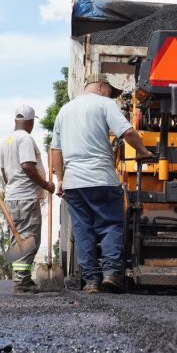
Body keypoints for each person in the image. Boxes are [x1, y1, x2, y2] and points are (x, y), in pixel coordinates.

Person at [51, 73, 152, 294]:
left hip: (74, 183)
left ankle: (91, 282)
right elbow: (127, 132)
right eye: (110, 91)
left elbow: (56, 150)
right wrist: (144, 152)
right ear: (99, 86)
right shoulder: (105, 104)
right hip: (101, 178)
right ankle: (110, 275)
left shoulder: (64, 110)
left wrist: (60, 180)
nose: (111, 96)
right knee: (111, 225)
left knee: (83, 230)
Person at [0, 105, 55, 294]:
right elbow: (28, 166)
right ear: (31, 122)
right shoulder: (25, 138)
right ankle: (22, 281)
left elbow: (4, 171)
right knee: (31, 238)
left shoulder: (6, 140)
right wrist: (46, 185)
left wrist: (12, 188)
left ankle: (20, 279)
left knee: (19, 238)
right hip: (26, 197)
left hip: (13, 196)